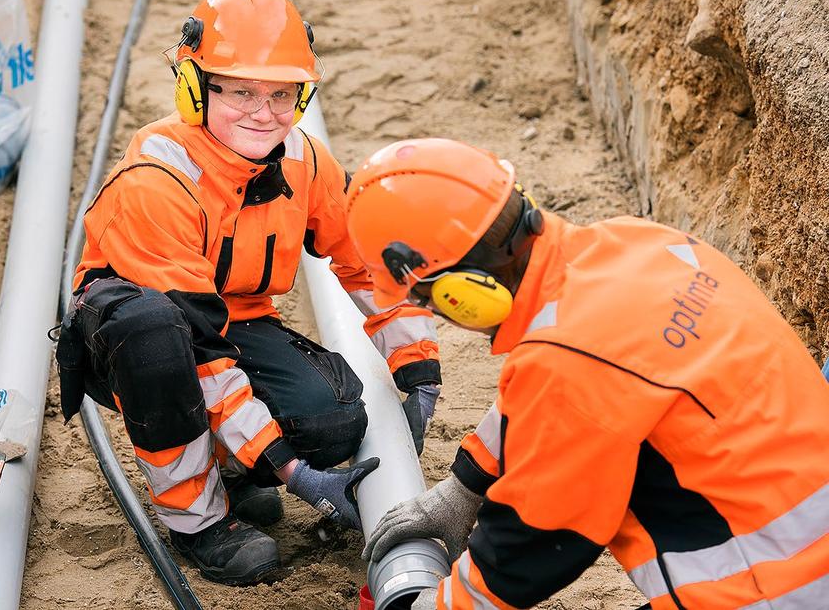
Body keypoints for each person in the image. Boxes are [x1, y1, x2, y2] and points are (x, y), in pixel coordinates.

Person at [53, 0, 443, 586]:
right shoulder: (158, 179)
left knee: (333, 420)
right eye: (239, 92)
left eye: (282, 95)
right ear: (194, 88)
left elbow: (366, 261)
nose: (264, 115)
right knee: (157, 338)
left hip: (230, 319)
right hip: (136, 334)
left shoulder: (303, 160)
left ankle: (232, 472)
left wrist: (419, 371)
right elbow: (201, 350)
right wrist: (295, 474)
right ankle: (197, 520)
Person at [345, 138, 829, 609]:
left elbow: (537, 537)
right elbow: (547, 401)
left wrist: (443, 604)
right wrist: (464, 488)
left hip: (775, 585)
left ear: (461, 292)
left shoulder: (568, 361)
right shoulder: (636, 244)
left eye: (427, 299)